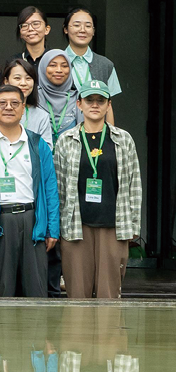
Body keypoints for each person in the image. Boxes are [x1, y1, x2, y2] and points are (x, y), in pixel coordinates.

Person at [0, 85, 59, 298]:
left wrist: (52, 229)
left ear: (23, 108)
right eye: (2, 103)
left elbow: (50, 187)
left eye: (15, 103)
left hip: (32, 220)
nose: (8, 107)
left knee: (36, 289)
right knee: (2, 288)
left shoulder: (37, 144)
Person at [52, 80, 140, 299]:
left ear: (108, 105)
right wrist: (58, 226)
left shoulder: (123, 139)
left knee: (108, 294)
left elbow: (134, 184)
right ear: (79, 104)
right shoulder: (66, 140)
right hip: (75, 226)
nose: (94, 105)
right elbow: (59, 187)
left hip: (113, 225)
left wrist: (134, 223)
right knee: (77, 294)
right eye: (89, 100)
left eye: (100, 101)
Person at [60, 6, 121, 97]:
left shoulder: (106, 65)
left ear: (93, 31)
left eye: (88, 26)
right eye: (76, 25)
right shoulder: (54, 62)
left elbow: (109, 102)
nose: (82, 30)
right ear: (65, 29)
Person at [0, 58, 55, 137]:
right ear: (6, 81)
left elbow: (45, 144)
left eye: (28, 78)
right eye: (17, 78)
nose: (23, 83)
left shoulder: (41, 116)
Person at [36, 48, 82, 137]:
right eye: (53, 65)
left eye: (64, 66)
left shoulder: (77, 99)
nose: (59, 70)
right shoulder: (33, 98)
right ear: (43, 68)